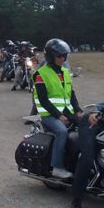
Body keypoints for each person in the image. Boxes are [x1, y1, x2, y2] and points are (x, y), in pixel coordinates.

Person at [33, 38, 82, 179]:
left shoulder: (65, 72)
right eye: (59, 56)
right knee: (62, 131)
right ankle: (57, 167)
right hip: (48, 115)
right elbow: (43, 100)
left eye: (64, 56)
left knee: (87, 125)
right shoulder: (41, 74)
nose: (63, 59)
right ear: (50, 56)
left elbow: (71, 94)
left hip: (66, 112)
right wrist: (59, 116)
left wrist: (78, 110)